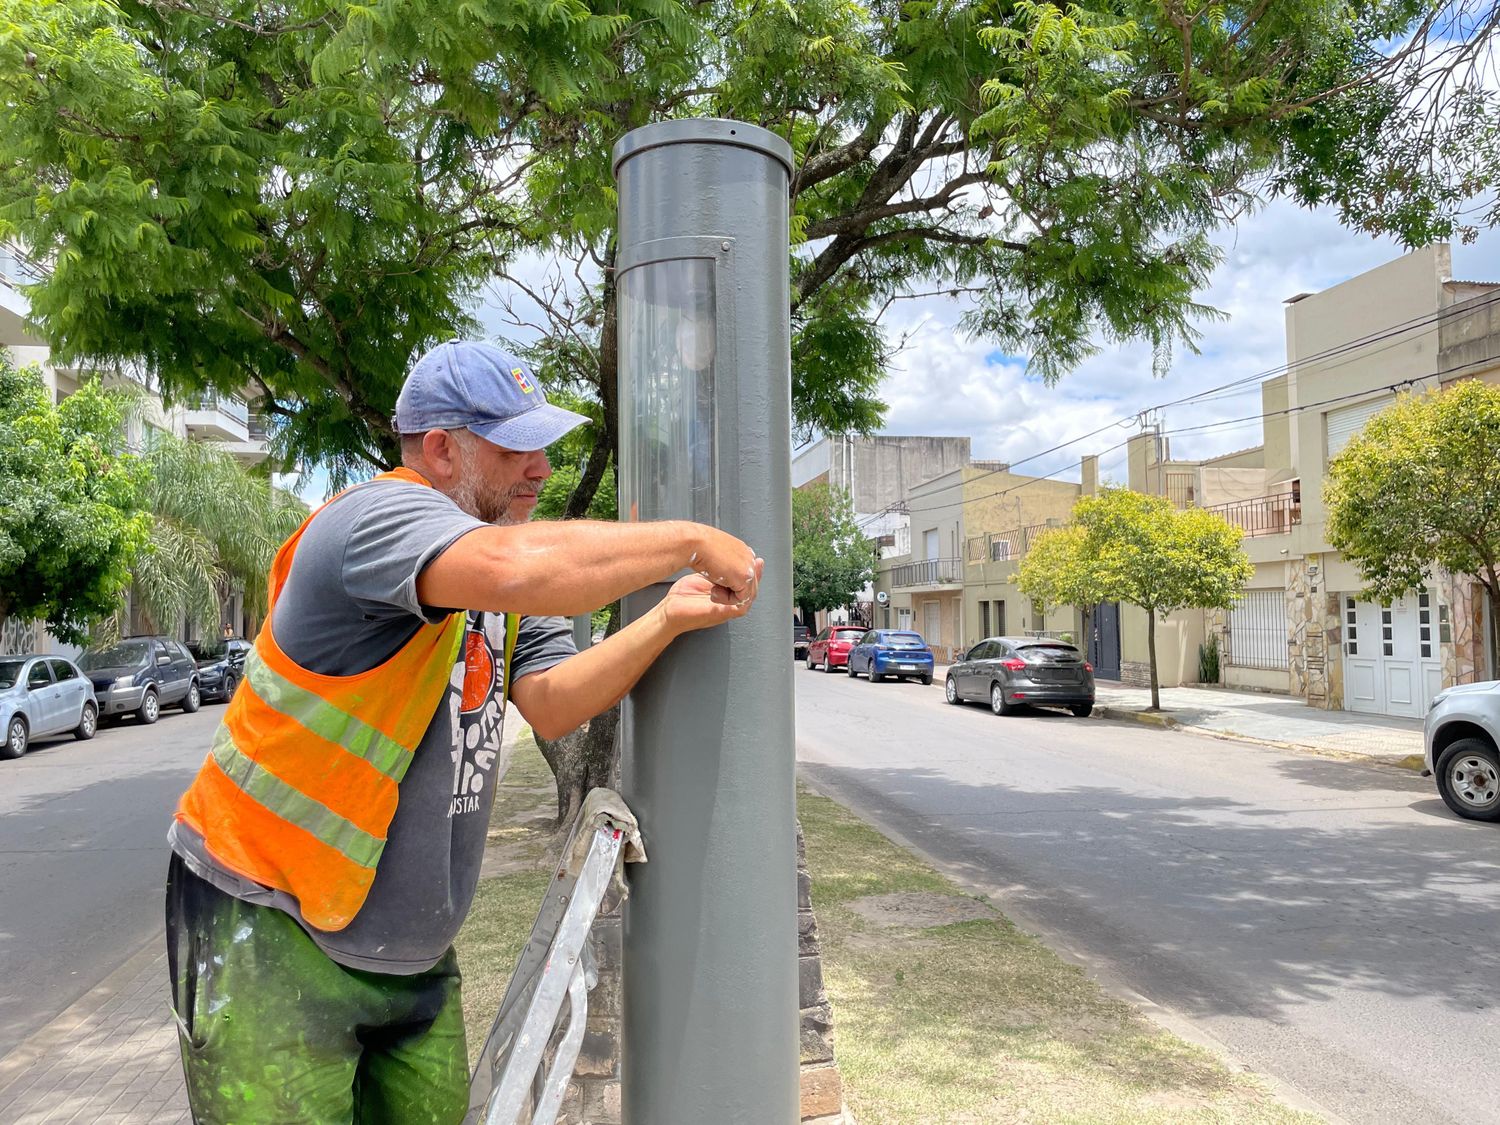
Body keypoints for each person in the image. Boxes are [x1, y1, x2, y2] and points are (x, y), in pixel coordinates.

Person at [164, 339, 762, 1124]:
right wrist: (690, 540)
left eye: (544, 447)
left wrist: (667, 619)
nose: (542, 468)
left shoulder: (494, 575)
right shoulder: (377, 519)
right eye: (518, 447)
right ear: (441, 450)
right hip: (269, 923)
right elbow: (520, 567)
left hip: (407, 955)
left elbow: (549, 701)